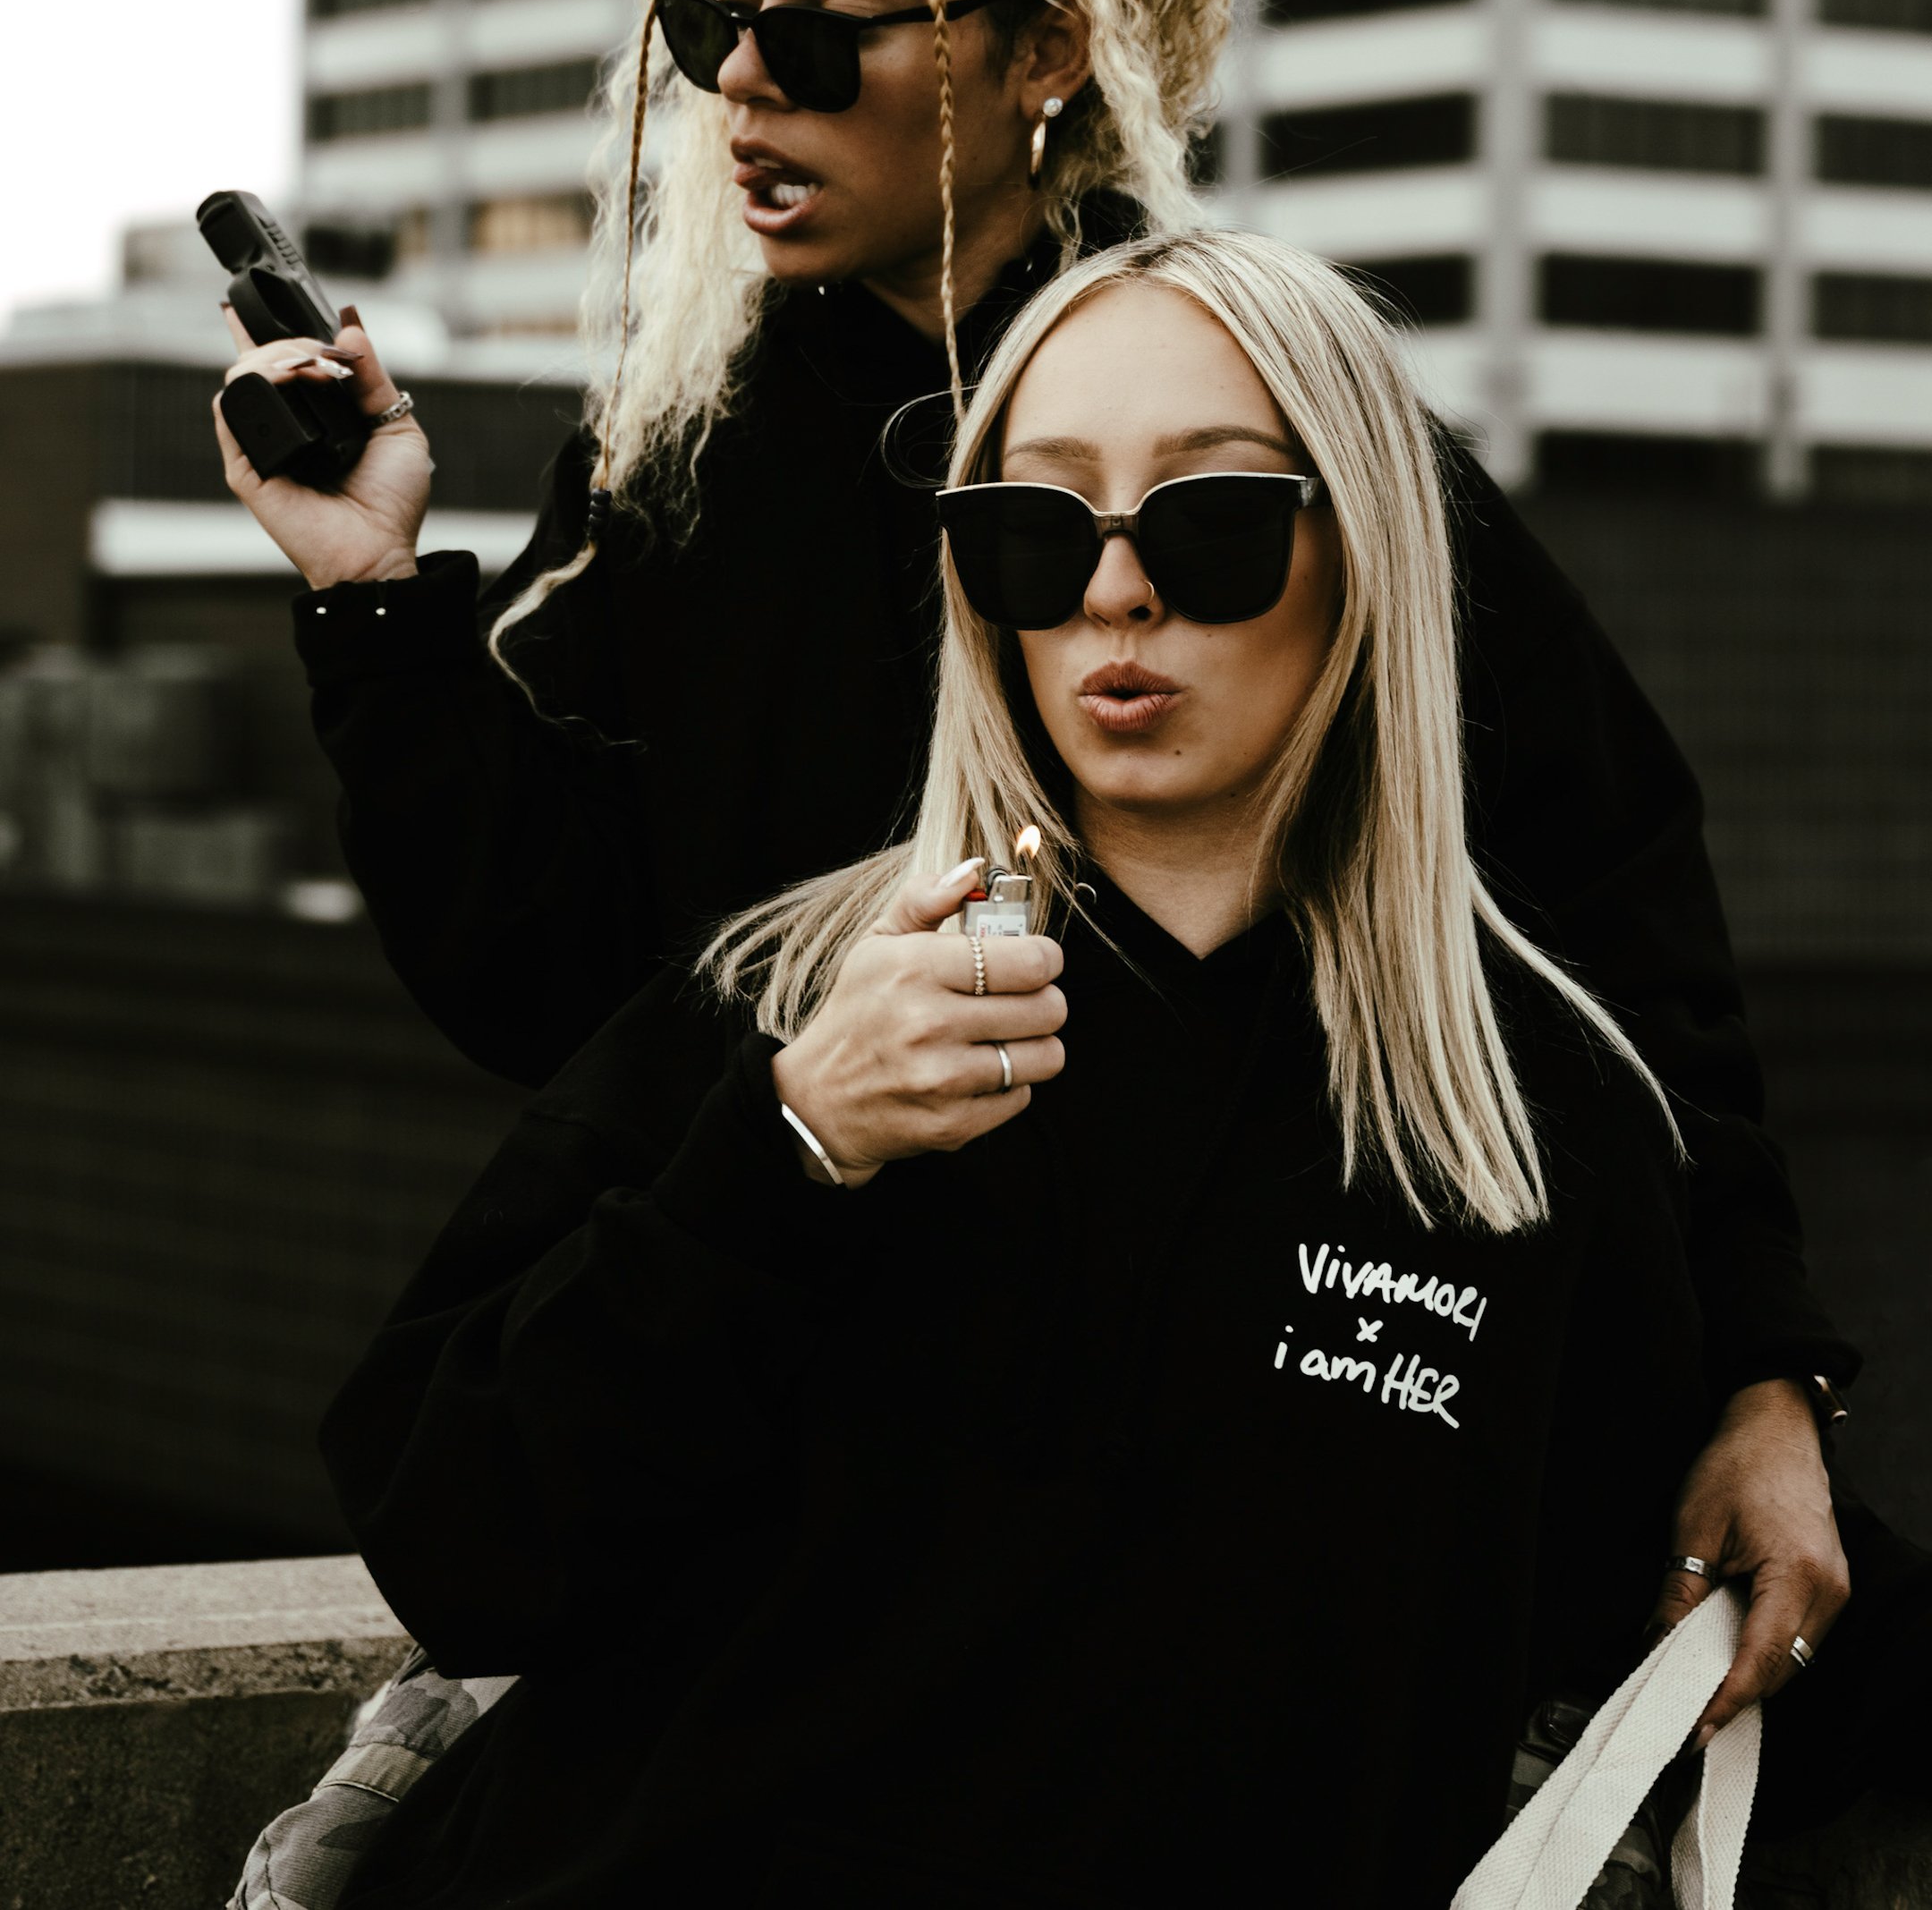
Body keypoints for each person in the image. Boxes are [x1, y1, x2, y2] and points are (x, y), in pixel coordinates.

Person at [215, 0, 1852, 1748]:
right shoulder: (685, 453)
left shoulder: (1262, 417)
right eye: (712, 20)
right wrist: (375, 602)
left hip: (1187, 1486)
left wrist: (1760, 1372)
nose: (748, 85)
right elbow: (556, 978)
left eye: (831, 24)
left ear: (1047, 47)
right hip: (805, 1480)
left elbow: (1607, 905)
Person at [317, 232, 1882, 1909]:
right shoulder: (788, 996)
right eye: (1035, 531)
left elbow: (1684, 1624)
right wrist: (791, 1145)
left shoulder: (1533, 1118)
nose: (1114, 595)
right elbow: (455, 1540)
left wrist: (1779, 1401)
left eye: (1209, 524)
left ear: (1366, 551)